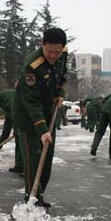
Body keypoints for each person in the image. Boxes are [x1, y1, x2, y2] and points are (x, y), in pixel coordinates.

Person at [14, 27, 68, 208]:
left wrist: (59, 92)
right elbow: (31, 102)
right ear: (42, 44)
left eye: (57, 52)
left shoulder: (62, 54)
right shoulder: (32, 66)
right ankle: (31, 199)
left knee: (47, 159)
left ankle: (39, 194)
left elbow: (63, 76)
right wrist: (43, 130)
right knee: (34, 161)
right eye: (49, 51)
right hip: (29, 117)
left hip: (48, 112)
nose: (53, 56)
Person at [0, 88, 23, 174]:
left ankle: (28, 169)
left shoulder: (6, 95)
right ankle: (20, 166)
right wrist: (1, 142)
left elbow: (15, 110)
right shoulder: (3, 104)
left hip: (25, 120)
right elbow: (7, 125)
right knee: (19, 143)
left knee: (24, 144)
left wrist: (17, 127)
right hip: (20, 123)